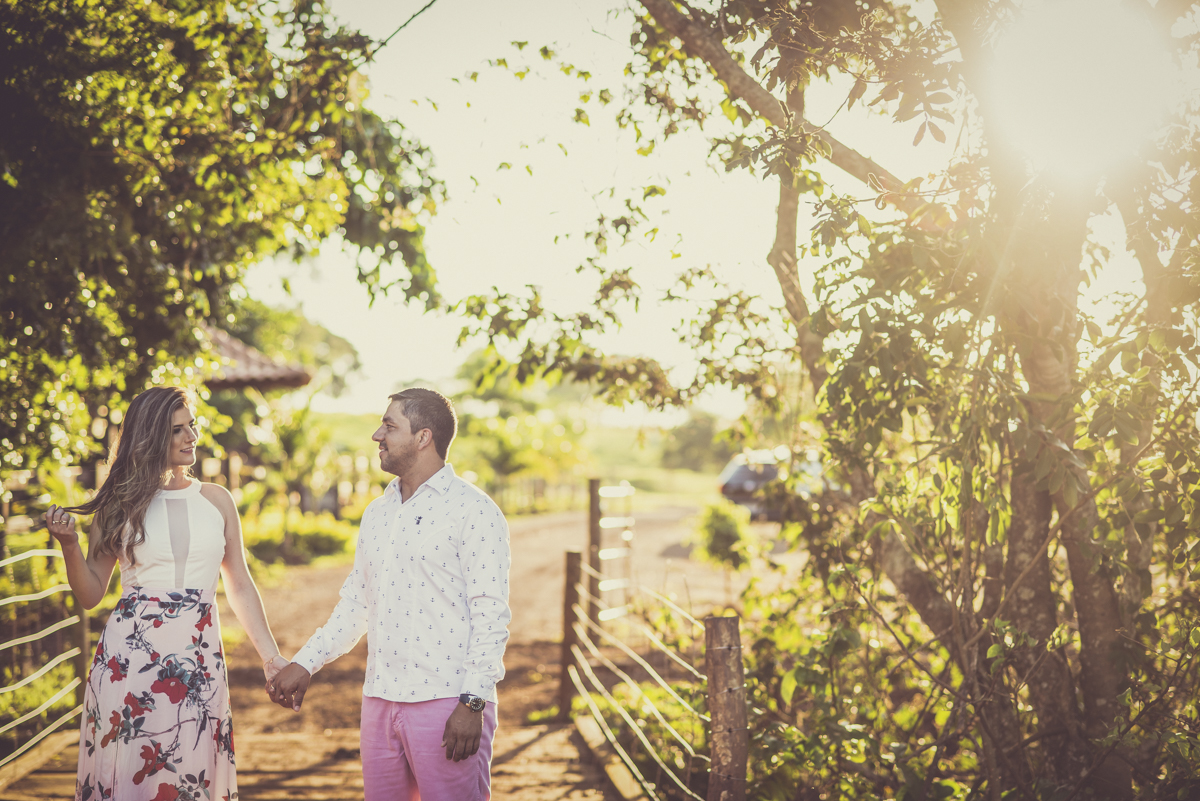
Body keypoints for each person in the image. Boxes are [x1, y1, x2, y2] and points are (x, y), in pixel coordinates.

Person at [44, 386, 289, 801]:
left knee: (191, 776)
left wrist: (271, 658)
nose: (191, 436)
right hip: (129, 664)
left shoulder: (218, 500)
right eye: (177, 429)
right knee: (131, 778)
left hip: (198, 663)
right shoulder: (118, 503)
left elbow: (239, 585)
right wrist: (69, 545)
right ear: (151, 435)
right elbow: (90, 594)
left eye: (191, 425)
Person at [268, 387, 511, 801]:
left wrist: (473, 703)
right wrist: (306, 662)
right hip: (379, 700)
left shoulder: (474, 510)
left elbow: (491, 615)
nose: (377, 436)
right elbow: (356, 604)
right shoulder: (378, 513)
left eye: (389, 426)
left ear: (423, 437)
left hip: (447, 701)